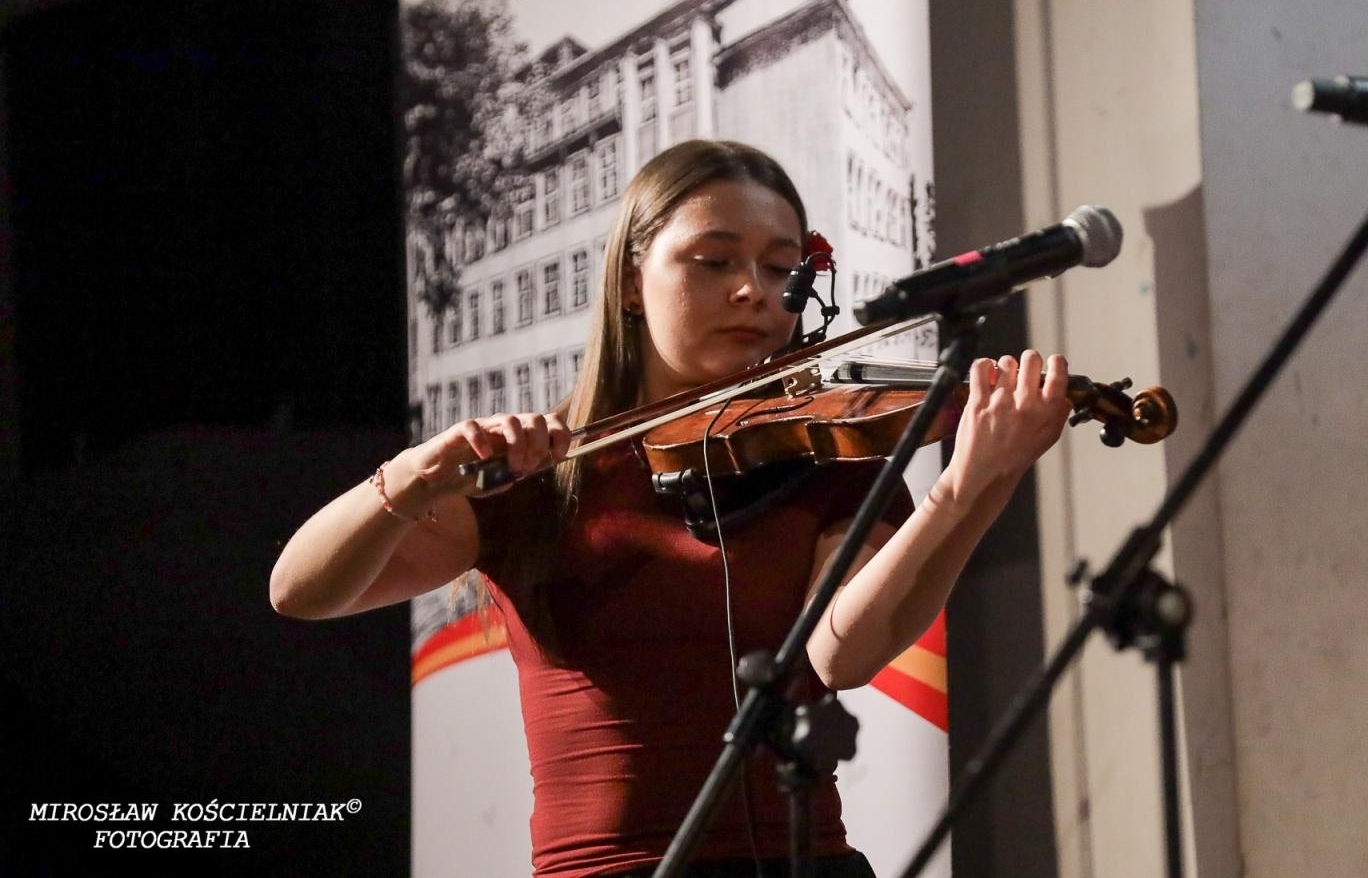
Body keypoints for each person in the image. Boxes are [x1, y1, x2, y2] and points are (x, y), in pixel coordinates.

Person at [270, 139, 1073, 878]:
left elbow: (840, 655)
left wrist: (973, 485)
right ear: (631, 281)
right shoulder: (542, 477)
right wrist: (415, 475)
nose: (752, 291)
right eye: (713, 261)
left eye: (780, 269)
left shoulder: (826, 458)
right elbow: (300, 591)